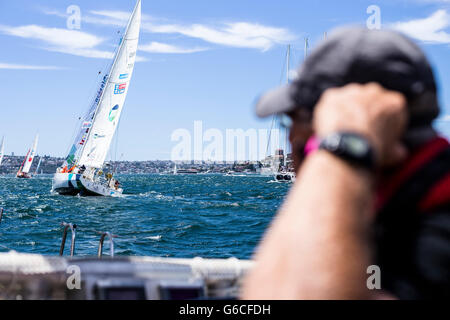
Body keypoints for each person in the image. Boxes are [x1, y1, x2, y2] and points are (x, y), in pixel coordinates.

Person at [242, 27, 450, 299]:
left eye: (296, 118)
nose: (290, 135)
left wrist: (345, 145)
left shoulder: (437, 224)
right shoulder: (400, 203)